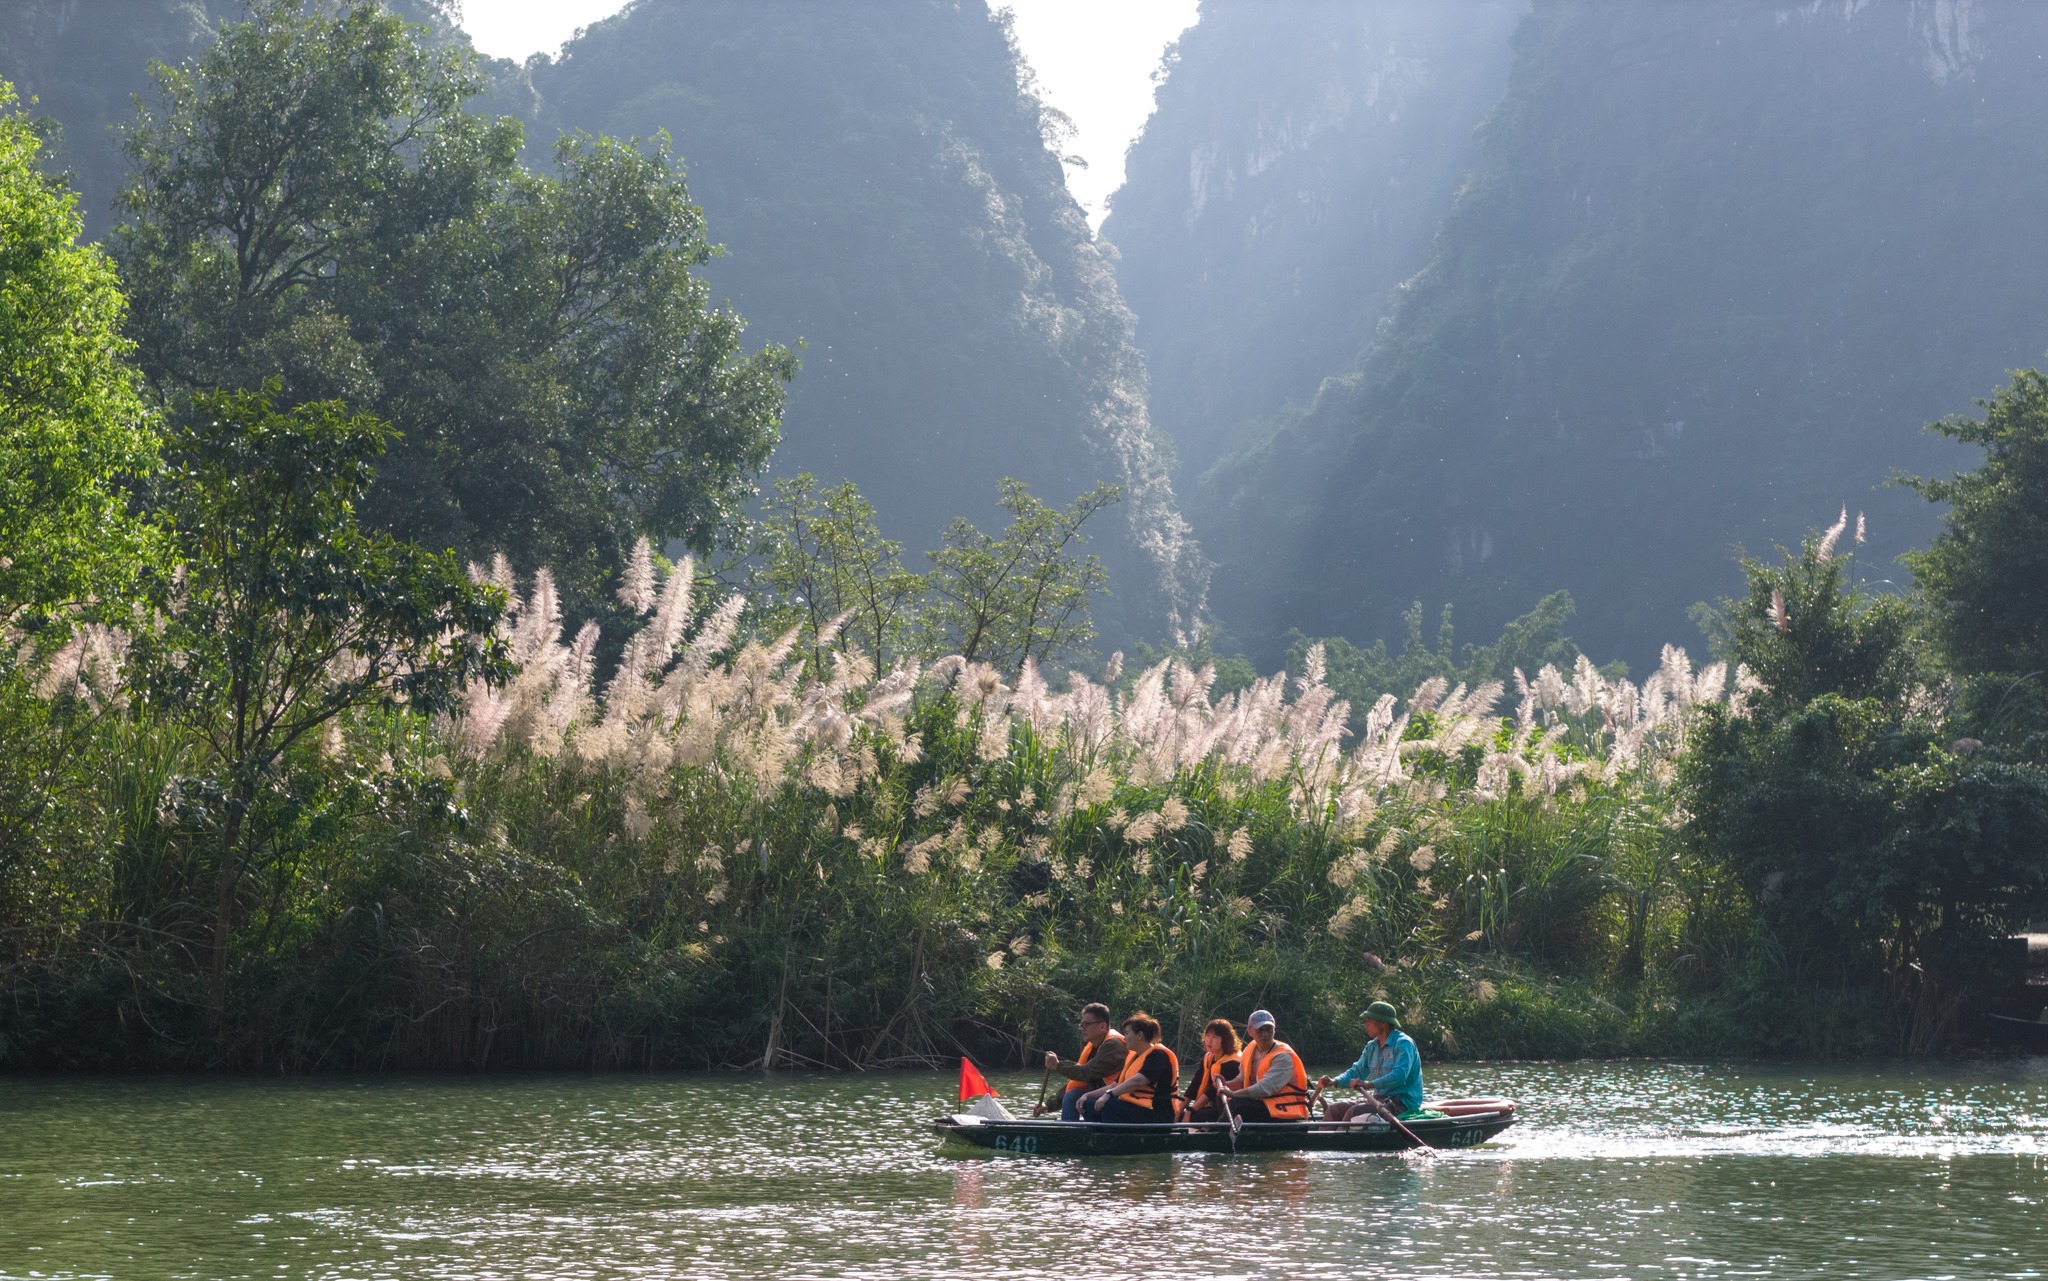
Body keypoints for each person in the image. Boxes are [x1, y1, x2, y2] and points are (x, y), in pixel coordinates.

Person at [1319, 1001, 1424, 1121]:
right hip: (1379, 1101)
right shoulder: (1371, 1047)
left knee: (1355, 1112)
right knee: (1334, 1109)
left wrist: (1369, 1085)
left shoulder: (1404, 1044)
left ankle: (1336, 1138)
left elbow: (1399, 1075)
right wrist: (1334, 1081)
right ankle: (1321, 1138)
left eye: (1369, 1020)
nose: (1365, 1024)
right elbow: (1356, 1072)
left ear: (1383, 1022)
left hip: (1401, 1104)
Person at [1078, 1011, 1180, 1123]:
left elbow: (1140, 1080)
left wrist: (1109, 1095)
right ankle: (1098, 1136)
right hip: (1135, 1109)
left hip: (1156, 1114)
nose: (1124, 1038)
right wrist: (1088, 1095)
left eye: (1127, 1033)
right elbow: (1114, 1085)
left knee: (1109, 1104)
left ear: (1140, 1035)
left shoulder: (1158, 1055)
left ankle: (1111, 1138)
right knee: (1086, 1104)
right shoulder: (1134, 1057)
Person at [1218, 1008, 1310, 1121]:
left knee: (1238, 1104)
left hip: (1281, 1111)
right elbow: (1242, 1079)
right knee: (1220, 1098)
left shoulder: (1283, 1057)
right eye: (1260, 1030)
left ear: (1274, 1030)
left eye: (1269, 1029)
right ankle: (1215, 1131)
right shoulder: (1250, 1049)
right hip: (1261, 1105)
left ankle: (1216, 1134)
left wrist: (1233, 1094)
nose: (1265, 1034)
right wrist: (1225, 1085)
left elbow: (1264, 1089)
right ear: (1250, 1031)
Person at [1039, 1002, 1126, 1121]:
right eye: (1081, 1024)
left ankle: (1071, 1134)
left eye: (1086, 1024)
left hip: (1119, 1099)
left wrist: (1057, 1065)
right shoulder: (1094, 1047)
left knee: (1073, 1097)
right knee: (1073, 1095)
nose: (1081, 1029)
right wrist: (1049, 1106)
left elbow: (1086, 1073)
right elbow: (1076, 1083)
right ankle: (1072, 1131)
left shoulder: (1113, 1045)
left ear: (1102, 1026)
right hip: (1105, 1096)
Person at [1179, 1017, 1242, 1122]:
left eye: (1215, 1037)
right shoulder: (1208, 1057)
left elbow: (1212, 1091)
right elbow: (1195, 1084)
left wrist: (1190, 1110)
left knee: (1191, 1117)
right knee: (1176, 1113)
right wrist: (1180, 1108)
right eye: (1208, 1036)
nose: (1209, 1040)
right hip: (1208, 1106)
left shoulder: (1232, 1063)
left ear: (1225, 1041)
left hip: (1225, 1109)